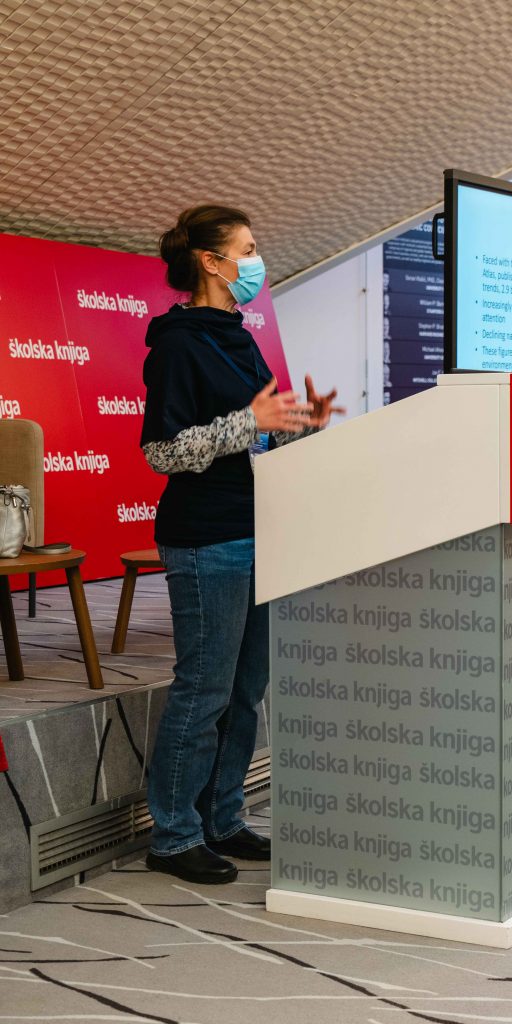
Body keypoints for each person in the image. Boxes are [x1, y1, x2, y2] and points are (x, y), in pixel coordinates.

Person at [140, 204, 343, 884]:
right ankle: (173, 835)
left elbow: (254, 435)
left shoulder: (239, 336)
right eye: (248, 248)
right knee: (203, 690)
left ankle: (222, 819)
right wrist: (249, 421)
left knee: (246, 689)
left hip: (260, 527)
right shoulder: (177, 345)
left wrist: (297, 424)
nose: (257, 261)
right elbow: (163, 452)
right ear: (211, 261)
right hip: (207, 539)